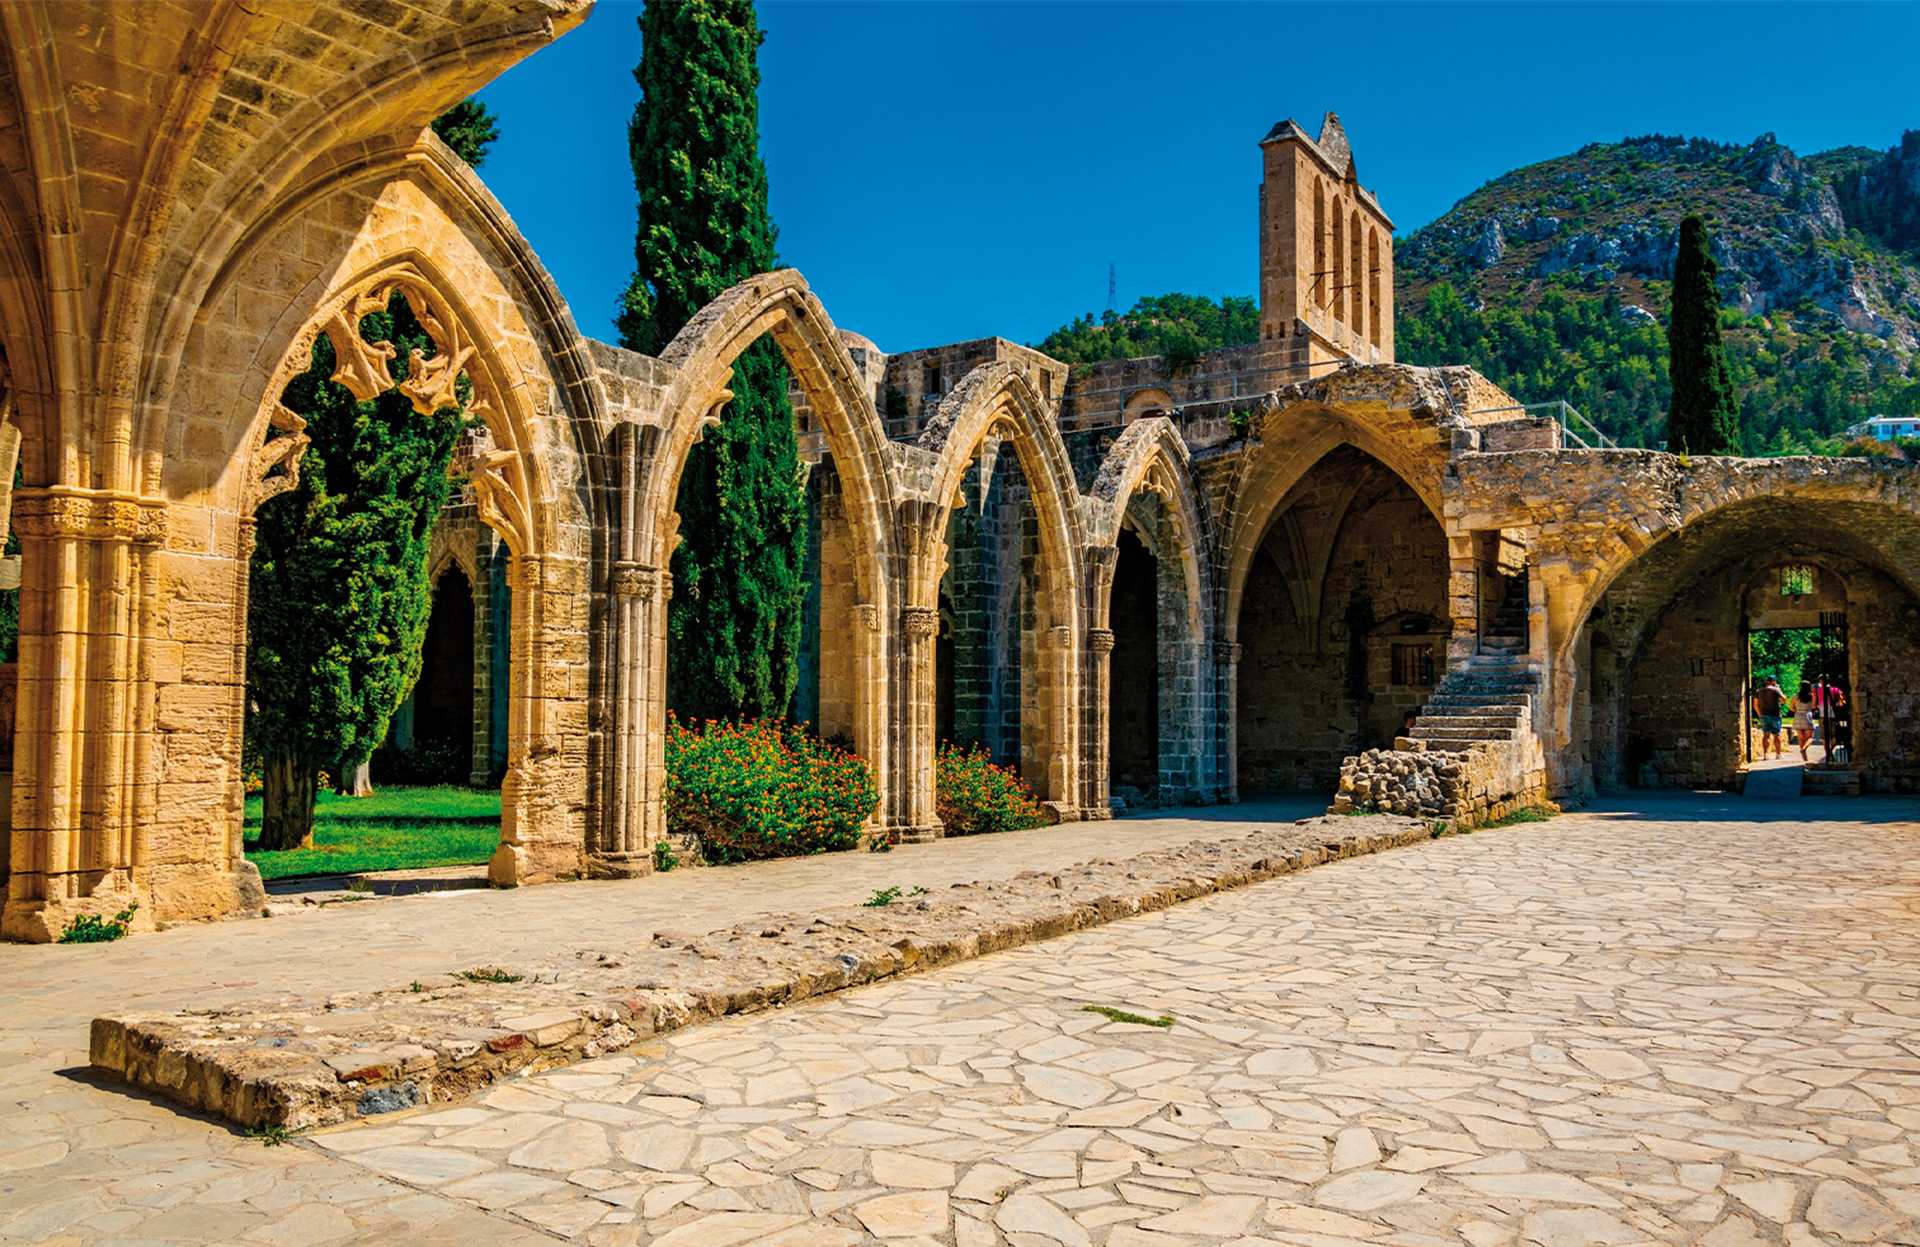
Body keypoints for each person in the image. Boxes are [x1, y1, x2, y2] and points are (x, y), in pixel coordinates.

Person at [1753, 677, 1785, 761]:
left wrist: (1760, 714)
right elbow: (1784, 700)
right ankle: (1778, 754)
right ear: (1773, 681)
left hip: (1764, 715)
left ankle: (1765, 755)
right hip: (1775, 715)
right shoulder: (1776, 690)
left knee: (1765, 735)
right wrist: (1779, 690)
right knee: (1776, 735)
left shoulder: (1758, 691)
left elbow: (1755, 705)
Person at [1792, 686, 1815, 762]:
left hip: (1798, 715)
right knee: (1810, 737)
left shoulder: (1795, 696)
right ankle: (1804, 749)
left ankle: (1804, 758)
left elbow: (1791, 707)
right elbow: (1814, 706)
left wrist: (1797, 709)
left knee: (1801, 738)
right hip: (1807, 715)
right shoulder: (1811, 695)